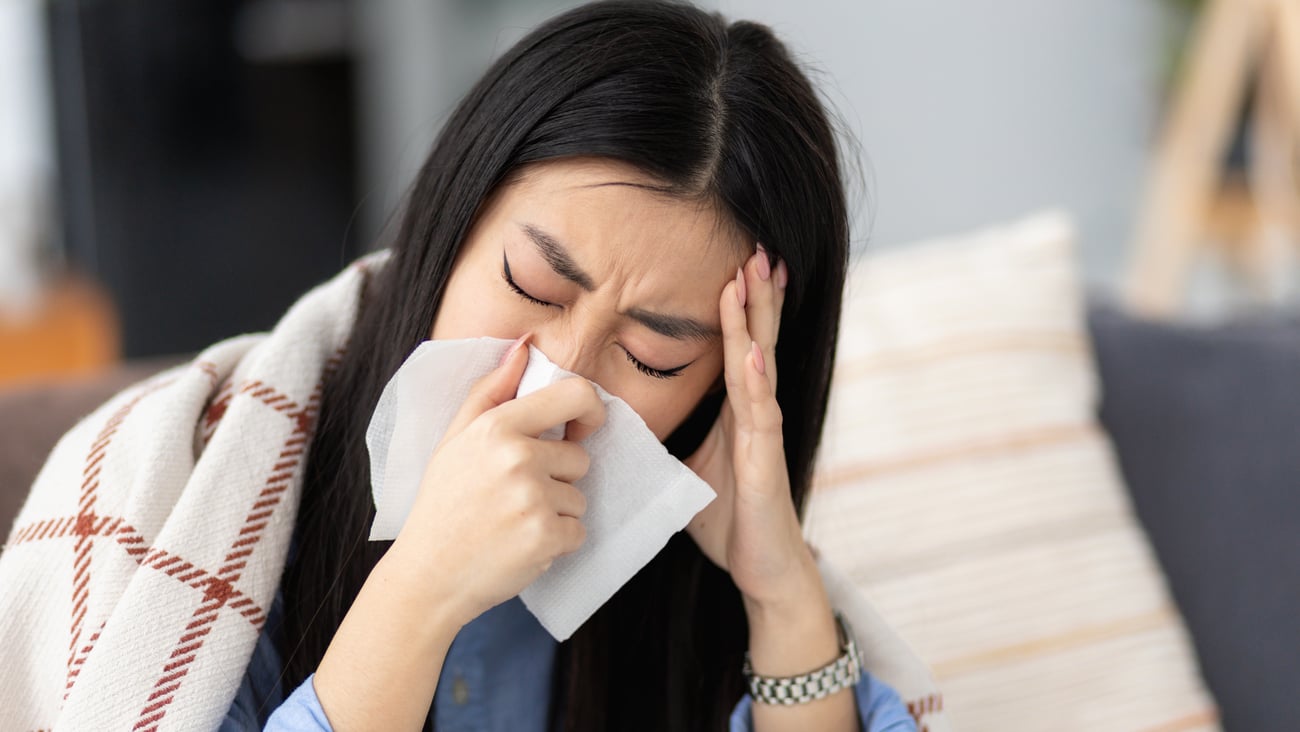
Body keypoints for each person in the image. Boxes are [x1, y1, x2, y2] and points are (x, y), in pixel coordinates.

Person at [0, 1, 930, 731]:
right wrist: (425, 585)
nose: (565, 376)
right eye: (533, 283)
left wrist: (775, 588)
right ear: (453, 224)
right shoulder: (201, 492)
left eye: (651, 354)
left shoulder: (679, 566)